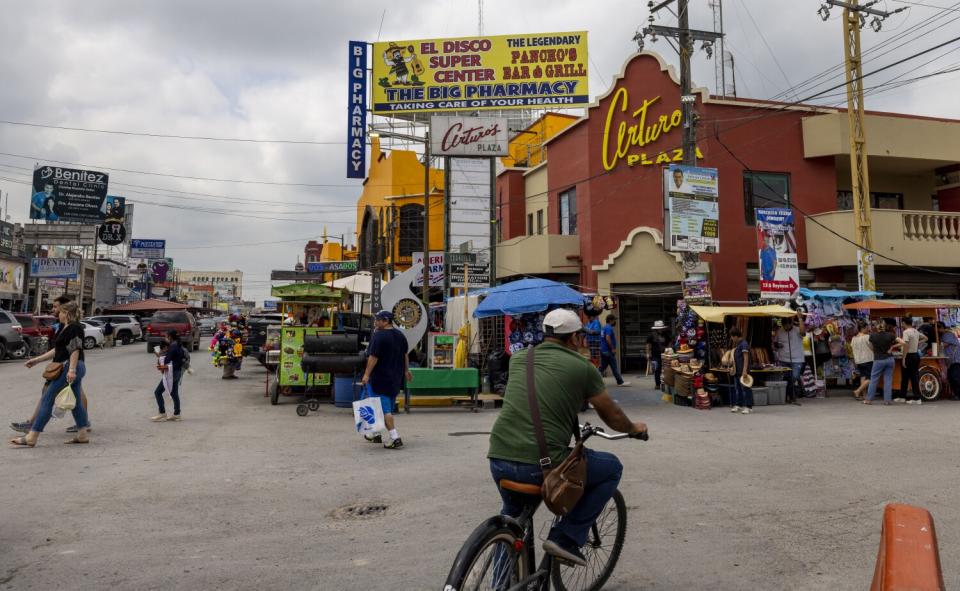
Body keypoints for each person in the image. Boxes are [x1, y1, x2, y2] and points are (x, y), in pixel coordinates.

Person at [487, 309, 648, 566]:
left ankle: (500, 580)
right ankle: (566, 537)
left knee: (512, 519)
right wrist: (633, 428)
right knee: (611, 468)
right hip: (542, 463)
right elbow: (611, 414)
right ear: (574, 338)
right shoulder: (583, 367)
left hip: (498, 457)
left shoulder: (519, 359)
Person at [10, 302, 90, 447]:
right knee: (77, 402)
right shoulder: (63, 327)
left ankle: (32, 436)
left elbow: (75, 349)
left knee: (47, 398)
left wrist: (71, 370)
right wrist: (36, 360)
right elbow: (57, 350)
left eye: (60, 311)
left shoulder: (75, 327)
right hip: (69, 366)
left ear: (66, 313)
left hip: (69, 366)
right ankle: (83, 434)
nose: (57, 314)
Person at [360, 310, 412, 449]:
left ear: (386, 321)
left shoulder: (379, 336)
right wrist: (406, 371)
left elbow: (373, 358)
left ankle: (395, 437)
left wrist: (366, 374)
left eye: (377, 320)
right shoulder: (400, 335)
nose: (375, 322)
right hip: (395, 378)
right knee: (376, 405)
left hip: (380, 379)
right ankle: (375, 433)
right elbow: (405, 355)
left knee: (384, 410)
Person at [866, 320, 903, 405]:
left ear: (876, 327)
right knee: (888, 380)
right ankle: (887, 400)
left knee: (874, 379)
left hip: (878, 360)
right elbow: (903, 342)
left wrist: (874, 350)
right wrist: (892, 347)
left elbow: (868, 344)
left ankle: (869, 400)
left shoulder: (872, 336)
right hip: (890, 359)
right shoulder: (890, 335)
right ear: (884, 326)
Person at [151, 331, 185, 422]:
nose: (165, 338)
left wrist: (160, 354)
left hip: (171, 373)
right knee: (174, 393)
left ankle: (162, 413)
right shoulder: (178, 345)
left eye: (166, 336)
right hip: (178, 372)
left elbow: (166, 360)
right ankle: (177, 414)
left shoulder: (172, 347)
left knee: (157, 392)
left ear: (170, 337)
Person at [773, 312, 806, 404]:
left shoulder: (797, 330)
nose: (786, 328)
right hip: (783, 359)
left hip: (797, 359)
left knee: (794, 377)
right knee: (786, 378)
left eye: (788, 325)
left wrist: (800, 319)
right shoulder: (779, 331)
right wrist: (777, 345)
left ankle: (790, 395)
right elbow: (775, 343)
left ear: (791, 324)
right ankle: (789, 396)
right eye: (784, 326)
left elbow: (803, 333)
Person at [899, 318, 927, 405]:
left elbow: (906, 345)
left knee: (907, 377)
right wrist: (917, 343)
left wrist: (903, 358)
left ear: (904, 323)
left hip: (909, 356)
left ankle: (916, 398)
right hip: (915, 355)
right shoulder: (915, 331)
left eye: (902, 323)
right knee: (911, 376)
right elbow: (926, 338)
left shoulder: (906, 332)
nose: (901, 325)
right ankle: (903, 397)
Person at [598, 315, 630, 387]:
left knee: (602, 367)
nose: (615, 321)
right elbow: (608, 338)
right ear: (610, 320)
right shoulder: (609, 328)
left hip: (603, 350)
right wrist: (612, 348)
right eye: (614, 320)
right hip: (608, 351)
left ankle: (592, 379)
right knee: (614, 367)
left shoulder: (604, 328)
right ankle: (620, 382)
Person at [729, 326, 754, 414]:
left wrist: (744, 370)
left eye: (732, 337)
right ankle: (738, 405)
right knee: (738, 389)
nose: (731, 339)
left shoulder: (744, 344)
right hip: (737, 371)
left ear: (735, 336)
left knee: (746, 388)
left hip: (743, 371)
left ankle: (749, 406)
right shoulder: (738, 344)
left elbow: (746, 358)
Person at [850, 321, 873, 400]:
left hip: (858, 360)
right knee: (871, 378)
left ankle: (864, 395)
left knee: (863, 377)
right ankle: (858, 391)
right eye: (867, 328)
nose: (868, 329)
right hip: (868, 359)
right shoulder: (867, 337)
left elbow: (852, 349)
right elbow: (872, 347)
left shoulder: (854, 338)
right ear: (863, 328)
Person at [939, 323, 960, 399]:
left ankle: (958, 394)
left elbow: (944, 345)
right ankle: (956, 394)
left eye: (938, 328)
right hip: (952, 360)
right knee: (951, 377)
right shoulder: (948, 334)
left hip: (955, 359)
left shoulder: (947, 334)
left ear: (941, 328)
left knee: (955, 377)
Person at [646, 320, 669, 390]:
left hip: (665, 354)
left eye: (662, 327)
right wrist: (648, 353)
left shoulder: (666, 334)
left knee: (666, 369)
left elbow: (669, 342)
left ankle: (665, 384)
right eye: (659, 328)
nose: (661, 329)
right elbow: (648, 345)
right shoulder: (651, 335)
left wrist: (668, 350)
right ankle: (657, 384)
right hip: (655, 355)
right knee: (657, 369)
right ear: (656, 328)